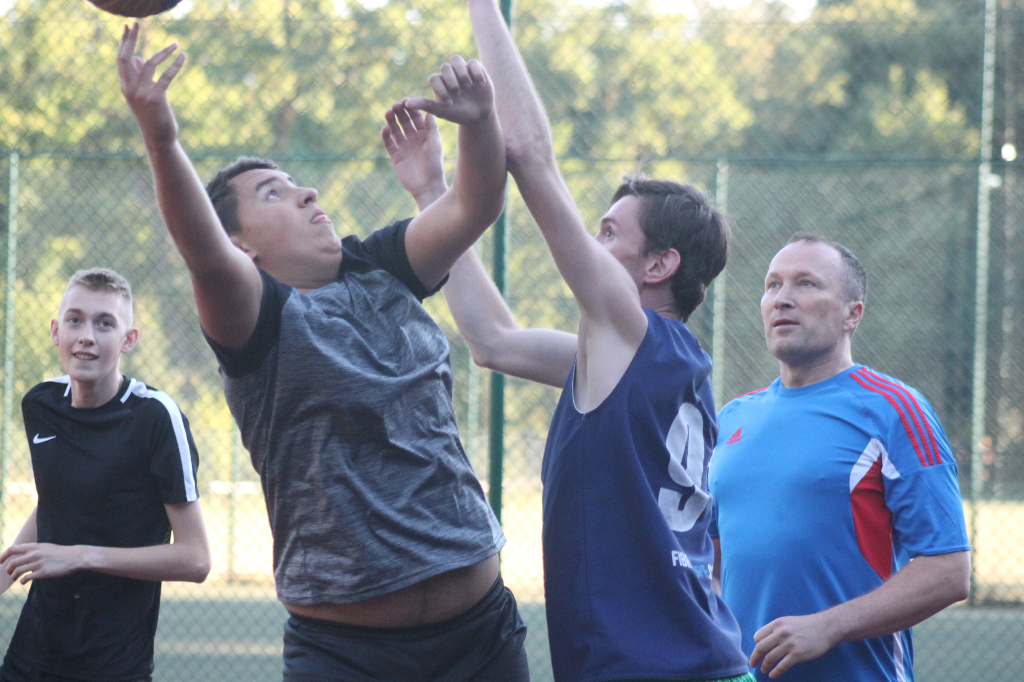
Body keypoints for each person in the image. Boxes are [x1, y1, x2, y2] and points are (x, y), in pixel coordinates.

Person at [117, 20, 528, 682]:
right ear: (243, 243)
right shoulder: (258, 321)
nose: (307, 193)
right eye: (273, 193)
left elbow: (476, 206)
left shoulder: (380, 266)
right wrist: (160, 135)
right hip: (346, 655)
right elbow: (201, 249)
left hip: (481, 633)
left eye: (296, 183)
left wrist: (477, 121)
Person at [380, 2, 753, 681]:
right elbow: (493, 340)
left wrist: (482, 9)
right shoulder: (650, 360)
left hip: (660, 670)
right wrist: (433, 191)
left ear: (659, 265)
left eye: (610, 232)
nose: (592, 240)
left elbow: (529, 156)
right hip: (684, 662)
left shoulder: (628, 332)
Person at [708, 234, 971, 681]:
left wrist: (825, 628)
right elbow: (711, 563)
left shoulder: (894, 410)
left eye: (806, 284)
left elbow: (949, 570)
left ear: (853, 313)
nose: (782, 299)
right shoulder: (733, 416)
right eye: (772, 285)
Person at [0, 268, 210, 682]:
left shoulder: (156, 418)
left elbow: (196, 558)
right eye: (75, 320)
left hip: (113, 664)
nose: (87, 336)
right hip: (31, 655)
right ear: (55, 331)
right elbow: (54, 504)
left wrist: (79, 556)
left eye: (105, 323)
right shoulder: (40, 404)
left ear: (129, 340)